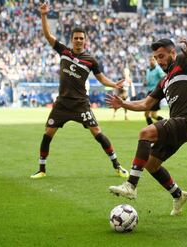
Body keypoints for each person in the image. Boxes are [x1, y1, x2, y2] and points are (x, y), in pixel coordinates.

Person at [30, 2, 129, 179]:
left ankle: (117, 166)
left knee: (98, 133)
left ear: (85, 40)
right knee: (47, 134)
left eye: (81, 38)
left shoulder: (90, 60)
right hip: (62, 103)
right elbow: (47, 35)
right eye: (75, 38)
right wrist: (44, 15)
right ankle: (42, 169)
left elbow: (100, 78)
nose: (78, 40)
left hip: (80, 104)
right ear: (72, 39)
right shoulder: (64, 51)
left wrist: (114, 84)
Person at [106, 39, 187, 216]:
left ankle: (131, 185)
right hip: (178, 124)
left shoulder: (181, 63)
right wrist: (123, 103)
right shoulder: (164, 82)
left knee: (145, 132)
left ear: (173, 53)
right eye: (156, 58)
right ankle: (179, 195)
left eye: (162, 56)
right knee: (151, 163)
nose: (159, 61)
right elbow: (146, 103)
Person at [144, 55, 166, 125]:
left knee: (147, 114)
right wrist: (145, 83)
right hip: (150, 92)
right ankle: (166, 122)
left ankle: (151, 128)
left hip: (155, 93)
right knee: (153, 115)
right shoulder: (148, 70)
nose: (151, 61)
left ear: (156, 61)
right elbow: (147, 81)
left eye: (153, 60)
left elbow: (164, 77)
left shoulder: (158, 69)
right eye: (150, 60)